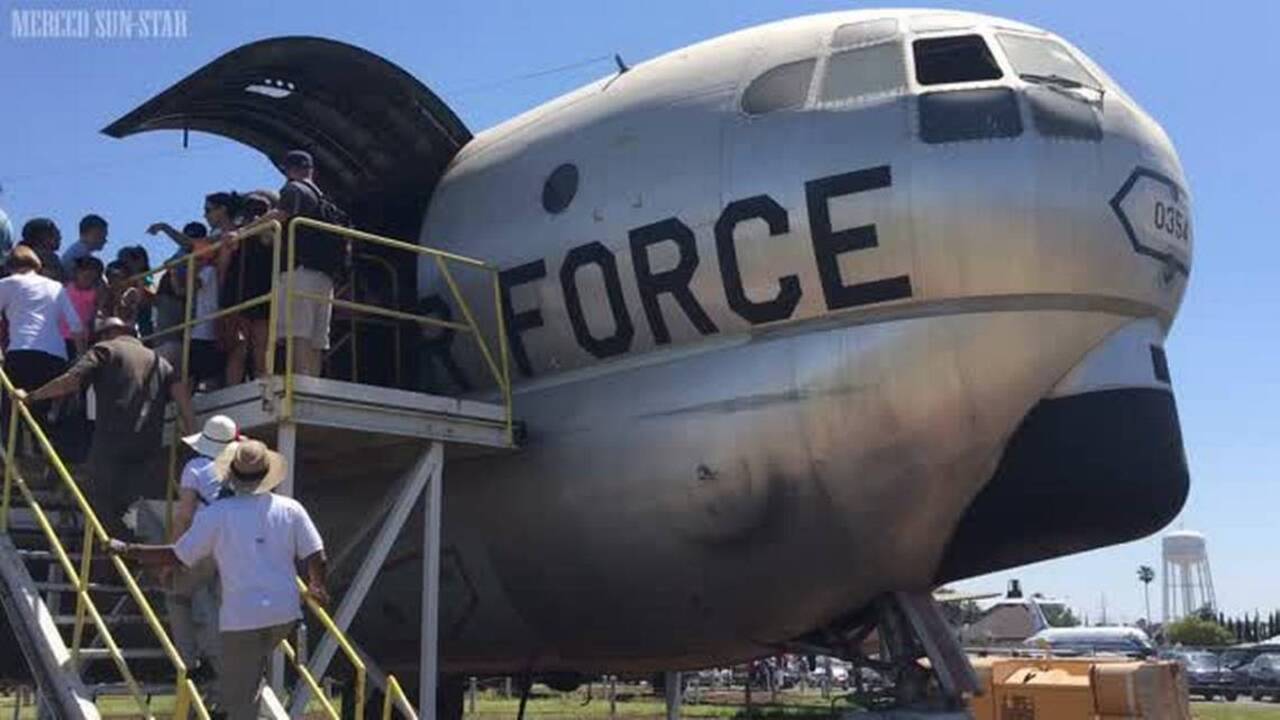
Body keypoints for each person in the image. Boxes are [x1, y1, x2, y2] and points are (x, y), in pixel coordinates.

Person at [109, 439, 328, 720]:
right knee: (249, 671)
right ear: (265, 476)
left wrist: (129, 550)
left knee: (240, 701)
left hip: (243, 619)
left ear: (231, 476)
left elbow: (177, 556)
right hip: (284, 615)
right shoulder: (291, 508)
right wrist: (317, 585)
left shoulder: (217, 514)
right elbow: (316, 555)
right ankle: (244, 683)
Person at [18, 316, 196, 537]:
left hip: (111, 445)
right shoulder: (160, 361)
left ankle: (112, 557)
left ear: (105, 334)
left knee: (100, 505)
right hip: (148, 448)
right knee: (133, 509)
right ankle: (131, 558)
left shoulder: (106, 349)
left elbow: (70, 382)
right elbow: (183, 399)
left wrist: (32, 397)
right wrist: (192, 433)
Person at [233, 151, 336, 376]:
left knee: (298, 331)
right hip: (325, 276)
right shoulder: (324, 200)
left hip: (299, 270)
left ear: (288, 169)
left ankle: (298, 384)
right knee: (318, 338)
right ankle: (313, 384)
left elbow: (280, 214)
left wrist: (241, 232)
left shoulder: (293, 189)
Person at [165, 414, 240, 695]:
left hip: (208, 543)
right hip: (238, 548)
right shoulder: (240, 468)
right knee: (222, 607)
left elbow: (184, 515)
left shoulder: (195, 467)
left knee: (176, 593)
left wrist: (171, 555)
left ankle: (195, 662)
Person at [0, 246, 86, 452]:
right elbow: (76, 327)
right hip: (55, 356)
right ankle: (47, 459)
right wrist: (81, 357)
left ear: (10, 266)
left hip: (21, 351)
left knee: (11, 409)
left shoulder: (7, 284)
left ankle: (13, 460)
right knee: (43, 412)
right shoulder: (56, 287)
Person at [219, 191, 277, 385]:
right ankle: (260, 385)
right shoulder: (268, 232)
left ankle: (242, 386)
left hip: (245, 294)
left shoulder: (238, 234)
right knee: (251, 347)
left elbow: (223, 267)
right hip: (254, 293)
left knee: (246, 347)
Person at [62, 256, 104, 357]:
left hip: (81, 339)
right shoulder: (65, 288)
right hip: (60, 336)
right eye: (84, 271)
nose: (88, 276)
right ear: (76, 272)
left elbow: (93, 316)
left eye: (92, 275)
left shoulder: (97, 292)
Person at [18, 217, 65, 283]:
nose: (59, 237)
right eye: (52, 233)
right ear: (40, 237)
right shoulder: (19, 259)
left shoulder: (54, 260)